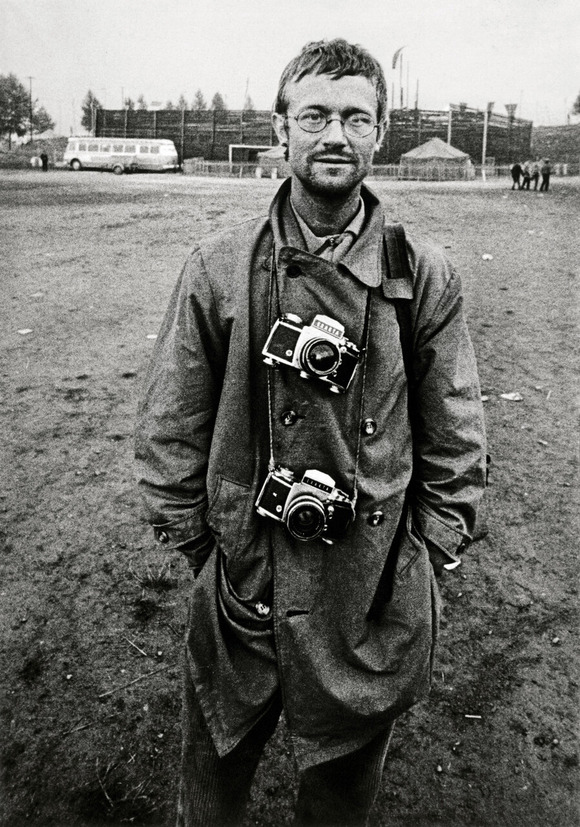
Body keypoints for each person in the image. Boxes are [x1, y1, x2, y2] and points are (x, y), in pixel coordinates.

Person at [135, 38, 487, 827]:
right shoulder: (219, 267)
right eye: (316, 114)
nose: (335, 134)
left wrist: (417, 561)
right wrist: (215, 554)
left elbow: (458, 440)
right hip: (241, 590)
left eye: (355, 117)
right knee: (211, 787)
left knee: (340, 801)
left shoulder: (423, 275)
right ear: (281, 128)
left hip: (367, 594)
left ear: (381, 132)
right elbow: (168, 432)